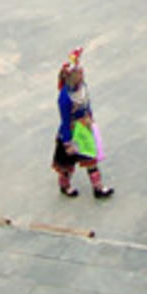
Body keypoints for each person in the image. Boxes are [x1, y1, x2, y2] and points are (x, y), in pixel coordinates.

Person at [53, 47, 113, 199]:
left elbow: (87, 104)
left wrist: (90, 118)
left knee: (91, 159)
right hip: (73, 131)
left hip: (84, 129)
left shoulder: (82, 88)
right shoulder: (65, 98)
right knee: (67, 164)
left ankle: (98, 188)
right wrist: (67, 142)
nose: (82, 74)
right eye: (79, 73)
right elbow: (65, 121)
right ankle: (64, 185)